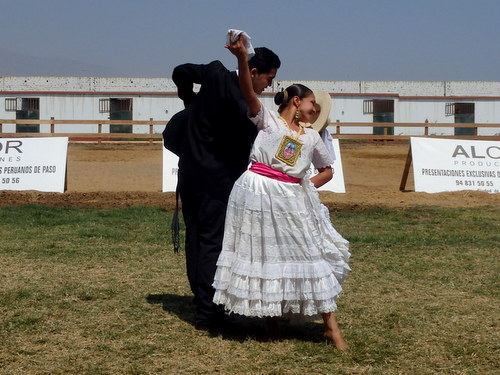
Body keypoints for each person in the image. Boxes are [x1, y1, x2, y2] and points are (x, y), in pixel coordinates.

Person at [212, 34, 351, 349]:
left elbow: (328, 171)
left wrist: (303, 187)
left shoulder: (312, 138)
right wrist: (241, 59)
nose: (316, 110)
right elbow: (247, 90)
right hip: (256, 192)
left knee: (308, 253)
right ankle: (271, 322)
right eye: (313, 103)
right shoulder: (268, 122)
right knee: (265, 255)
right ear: (297, 102)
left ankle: (331, 327)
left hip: (289, 198)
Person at [163, 40, 281, 331]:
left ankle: (202, 303)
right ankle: (208, 313)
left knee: (196, 239)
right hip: (218, 183)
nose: (270, 85)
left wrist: (189, 100)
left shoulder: (215, 73)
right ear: (253, 72)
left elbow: (180, 71)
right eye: (269, 78)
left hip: (189, 174)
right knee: (212, 243)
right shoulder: (246, 106)